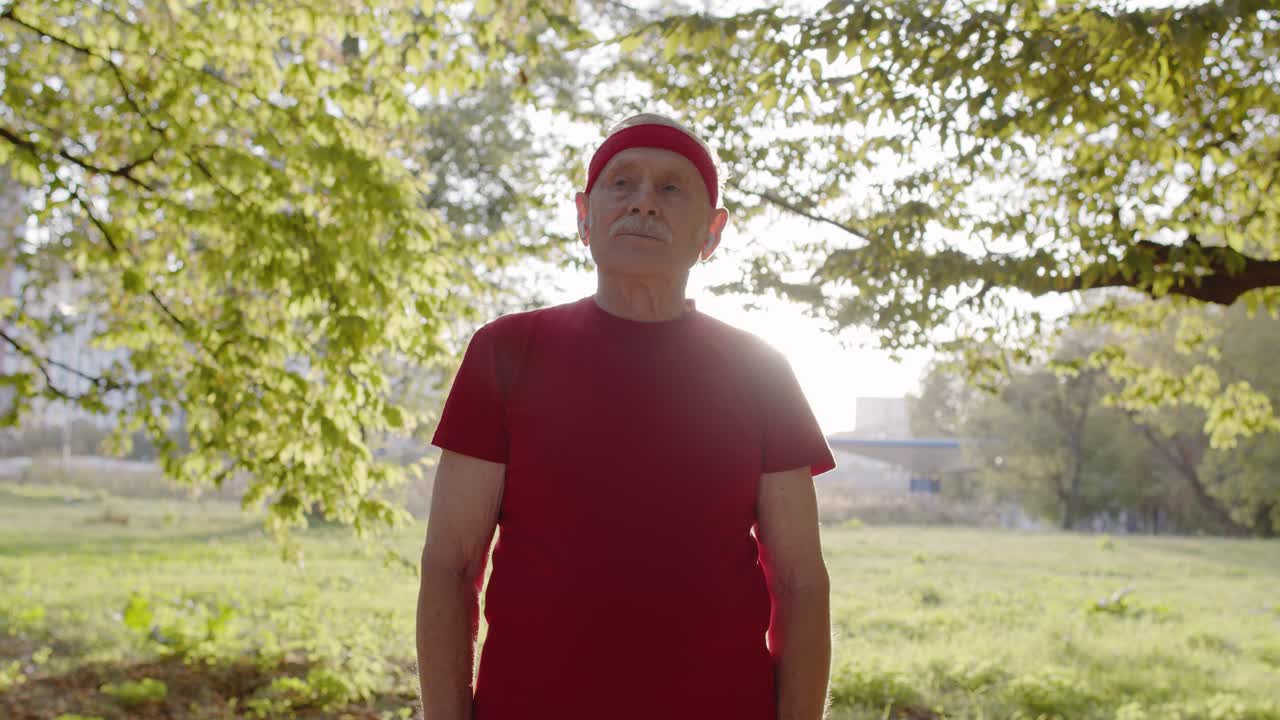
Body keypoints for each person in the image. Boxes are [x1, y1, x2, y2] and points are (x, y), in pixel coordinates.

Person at [416, 113, 835, 720]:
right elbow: (451, 566)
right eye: (622, 183)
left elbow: (799, 582)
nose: (644, 202)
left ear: (712, 233)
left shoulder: (760, 369)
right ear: (584, 217)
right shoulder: (506, 351)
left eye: (671, 188)